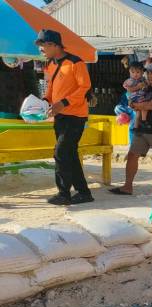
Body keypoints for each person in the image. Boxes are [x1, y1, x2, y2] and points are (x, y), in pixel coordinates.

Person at [36, 29, 94, 206]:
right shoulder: (51, 64)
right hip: (60, 116)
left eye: (43, 45)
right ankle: (84, 193)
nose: (41, 50)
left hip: (75, 116)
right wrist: (45, 100)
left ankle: (63, 193)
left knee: (61, 152)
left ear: (53, 45)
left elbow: (84, 88)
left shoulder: (76, 62)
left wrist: (64, 102)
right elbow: (51, 88)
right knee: (69, 154)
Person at [109, 63, 152, 195]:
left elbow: (151, 105)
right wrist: (134, 104)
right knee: (132, 155)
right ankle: (127, 186)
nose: (149, 76)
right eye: (148, 73)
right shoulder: (145, 87)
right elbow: (133, 100)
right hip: (141, 129)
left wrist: (136, 105)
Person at [122, 61, 150, 132]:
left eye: (137, 72)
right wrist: (138, 86)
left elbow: (146, 87)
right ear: (129, 72)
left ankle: (136, 127)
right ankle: (144, 120)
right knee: (144, 107)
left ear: (142, 72)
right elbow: (129, 89)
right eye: (133, 72)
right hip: (135, 98)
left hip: (140, 96)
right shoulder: (130, 81)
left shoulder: (143, 79)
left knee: (138, 114)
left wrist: (145, 87)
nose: (135, 74)